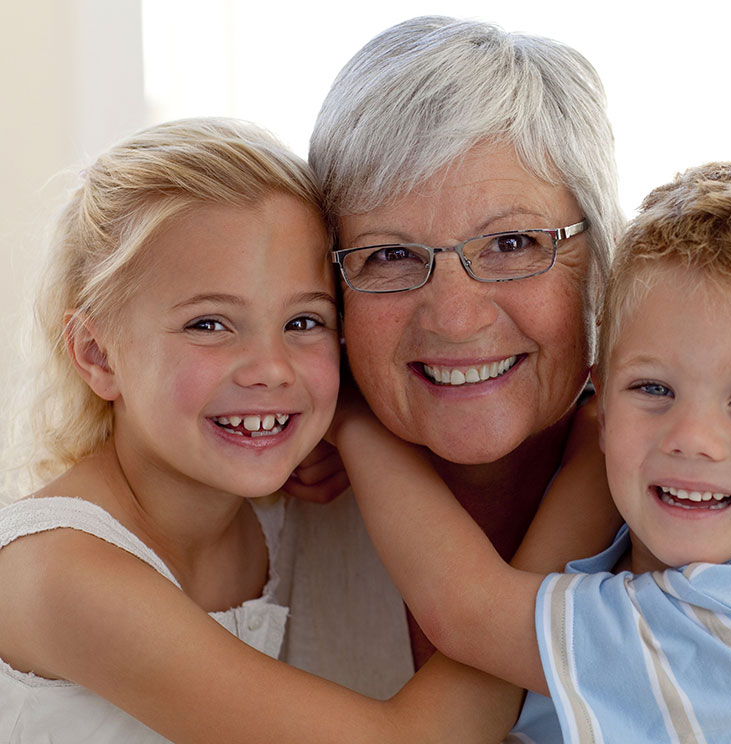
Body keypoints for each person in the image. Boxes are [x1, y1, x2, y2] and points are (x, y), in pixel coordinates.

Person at [282, 15, 731, 739]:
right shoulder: (255, 499)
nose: (452, 317)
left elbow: (469, 613)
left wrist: (351, 419)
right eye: (387, 255)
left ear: (601, 264)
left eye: (514, 242)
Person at [0, 117, 554, 743]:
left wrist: (345, 421)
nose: (270, 369)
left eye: (303, 322)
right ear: (97, 355)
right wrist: (582, 489)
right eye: (209, 324)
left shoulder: (282, 514)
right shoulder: (56, 570)